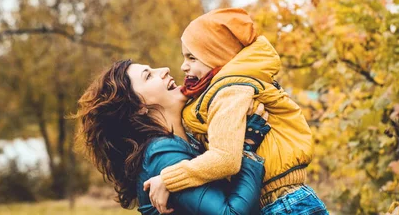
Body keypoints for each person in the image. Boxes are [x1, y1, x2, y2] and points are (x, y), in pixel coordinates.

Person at [144, 8, 328, 215]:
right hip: (286, 201)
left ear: (217, 56)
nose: (183, 66)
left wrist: (168, 179)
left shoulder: (229, 91)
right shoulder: (228, 88)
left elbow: (225, 159)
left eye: (192, 58)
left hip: (285, 205)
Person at [74, 59, 271, 215]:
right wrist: (246, 148)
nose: (165, 69)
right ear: (138, 106)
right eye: (148, 76)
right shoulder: (162, 155)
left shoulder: (186, 142)